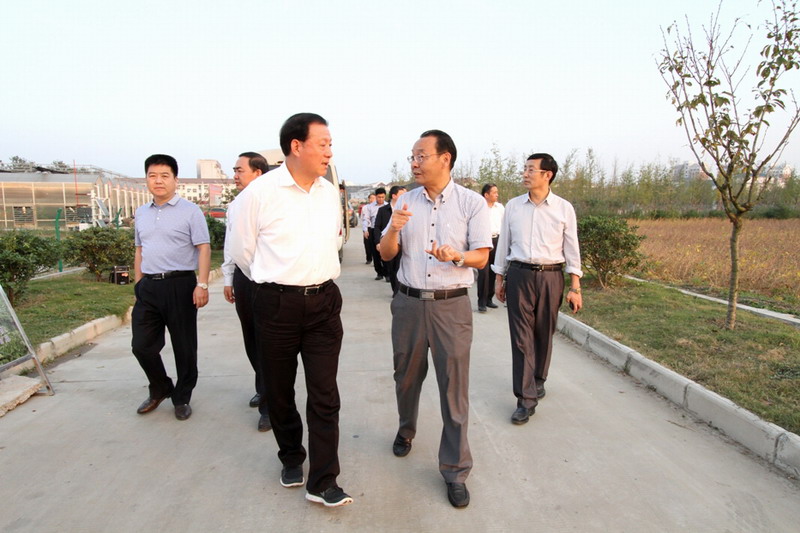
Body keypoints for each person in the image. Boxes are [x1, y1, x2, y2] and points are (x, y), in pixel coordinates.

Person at [228, 113, 353, 508]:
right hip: (276, 304)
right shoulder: (258, 194)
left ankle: (324, 480)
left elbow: (334, 239)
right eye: (323, 144)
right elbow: (242, 253)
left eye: (331, 145)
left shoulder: (328, 192)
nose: (329, 153)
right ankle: (291, 456)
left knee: (325, 394)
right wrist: (276, 282)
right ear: (296, 146)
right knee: (279, 390)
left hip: (324, 304)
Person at [380, 129, 491, 509]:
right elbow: (386, 253)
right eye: (412, 156)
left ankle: (456, 470)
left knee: (453, 387)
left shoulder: (472, 203)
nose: (414, 163)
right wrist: (394, 228)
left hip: (451, 307)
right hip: (409, 304)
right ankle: (406, 429)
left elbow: (482, 256)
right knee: (405, 377)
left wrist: (456, 256)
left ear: (445, 158)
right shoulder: (405, 201)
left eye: (421, 155)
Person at [493, 153, 583, 425]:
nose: (525, 173)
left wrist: (575, 286)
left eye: (531, 169)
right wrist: (499, 278)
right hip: (519, 274)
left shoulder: (564, 208)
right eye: (525, 168)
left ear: (547, 175)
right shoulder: (513, 206)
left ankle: (538, 378)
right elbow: (504, 244)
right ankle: (525, 399)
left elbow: (572, 247)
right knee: (521, 338)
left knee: (544, 333)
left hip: (551, 276)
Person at [131, 154, 211, 421]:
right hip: (149, 287)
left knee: (184, 347)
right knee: (142, 345)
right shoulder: (142, 212)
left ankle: (182, 397)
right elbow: (139, 248)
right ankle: (160, 386)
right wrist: (138, 282)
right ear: (146, 179)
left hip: (180, 285)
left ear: (176, 180)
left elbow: (203, 248)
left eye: (165, 176)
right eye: (152, 175)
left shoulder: (190, 211)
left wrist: (202, 284)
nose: (158, 181)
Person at [222, 151, 270, 432]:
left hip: (268, 279)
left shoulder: (272, 201)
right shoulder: (236, 205)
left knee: (268, 342)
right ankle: (262, 387)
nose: (235, 176)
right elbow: (231, 244)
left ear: (258, 173)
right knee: (251, 338)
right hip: (244, 276)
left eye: (240, 170)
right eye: (235, 170)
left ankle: (269, 405)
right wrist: (229, 278)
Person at [476, 183, 504, 312]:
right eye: (494, 192)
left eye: (497, 192)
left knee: (493, 270)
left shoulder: (500, 208)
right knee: (483, 272)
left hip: (497, 239)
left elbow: (505, 224)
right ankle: (481, 301)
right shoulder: (479, 207)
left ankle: (489, 299)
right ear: (486, 195)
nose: (497, 195)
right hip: (483, 241)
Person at [373, 185, 406, 294]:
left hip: (402, 244)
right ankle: (395, 290)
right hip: (388, 243)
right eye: (402, 194)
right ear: (394, 196)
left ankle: (399, 291)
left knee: (400, 267)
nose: (406, 196)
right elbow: (377, 227)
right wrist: (378, 242)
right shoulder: (383, 210)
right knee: (391, 268)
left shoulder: (406, 209)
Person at [363, 188, 387, 280]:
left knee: (385, 252)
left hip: (385, 231)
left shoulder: (388, 206)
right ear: (376, 197)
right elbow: (366, 219)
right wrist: (365, 230)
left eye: (382, 197)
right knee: (375, 253)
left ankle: (387, 274)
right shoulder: (369, 207)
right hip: (374, 230)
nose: (381, 199)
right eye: (379, 197)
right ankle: (379, 273)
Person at [361, 194, 376, 264]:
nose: (371, 199)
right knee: (367, 244)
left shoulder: (378, 207)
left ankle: (376, 259)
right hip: (368, 227)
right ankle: (369, 258)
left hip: (375, 227)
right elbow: (363, 218)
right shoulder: (365, 207)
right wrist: (364, 229)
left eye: (373, 198)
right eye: (370, 198)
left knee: (375, 244)